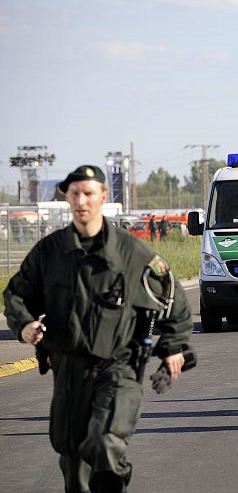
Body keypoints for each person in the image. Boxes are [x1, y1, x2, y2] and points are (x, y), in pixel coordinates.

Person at [3, 165, 193, 493]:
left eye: (88, 193)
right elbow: (17, 295)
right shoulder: (50, 252)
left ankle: (112, 479)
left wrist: (173, 348)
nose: (81, 200)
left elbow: (172, 298)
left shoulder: (131, 253)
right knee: (75, 462)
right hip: (68, 370)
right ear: (67, 198)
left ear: (103, 197)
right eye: (74, 193)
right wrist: (25, 326)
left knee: (105, 444)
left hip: (118, 367)